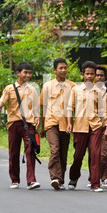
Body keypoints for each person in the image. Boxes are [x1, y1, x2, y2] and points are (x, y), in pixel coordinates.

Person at [0, 62, 41, 190]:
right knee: (13, 152)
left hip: (28, 124)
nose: (28, 75)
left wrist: (37, 117)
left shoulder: (32, 89)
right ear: (18, 73)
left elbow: (36, 106)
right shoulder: (10, 88)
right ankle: (15, 179)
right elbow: (3, 100)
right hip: (14, 123)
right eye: (25, 72)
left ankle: (31, 180)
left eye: (29, 73)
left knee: (30, 149)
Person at [66, 61, 105, 192]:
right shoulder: (75, 90)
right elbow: (69, 108)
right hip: (79, 126)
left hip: (95, 126)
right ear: (82, 74)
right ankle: (73, 177)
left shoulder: (98, 91)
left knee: (95, 154)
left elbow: (102, 111)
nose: (89, 76)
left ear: (95, 76)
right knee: (78, 155)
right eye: (87, 73)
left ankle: (95, 183)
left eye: (92, 74)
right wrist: (69, 123)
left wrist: (104, 125)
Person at [40, 58, 76, 190]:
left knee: (63, 153)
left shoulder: (72, 86)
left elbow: (75, 107)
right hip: (51, 122)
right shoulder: (47, 86)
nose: (64, 70)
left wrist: (71, 123)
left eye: (65, 68)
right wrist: (43, 126)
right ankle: (54, 177)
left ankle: (60, 180)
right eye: (61, 68)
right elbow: (43, 107)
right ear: (55, 70)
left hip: (66, 123)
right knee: (55, 150)